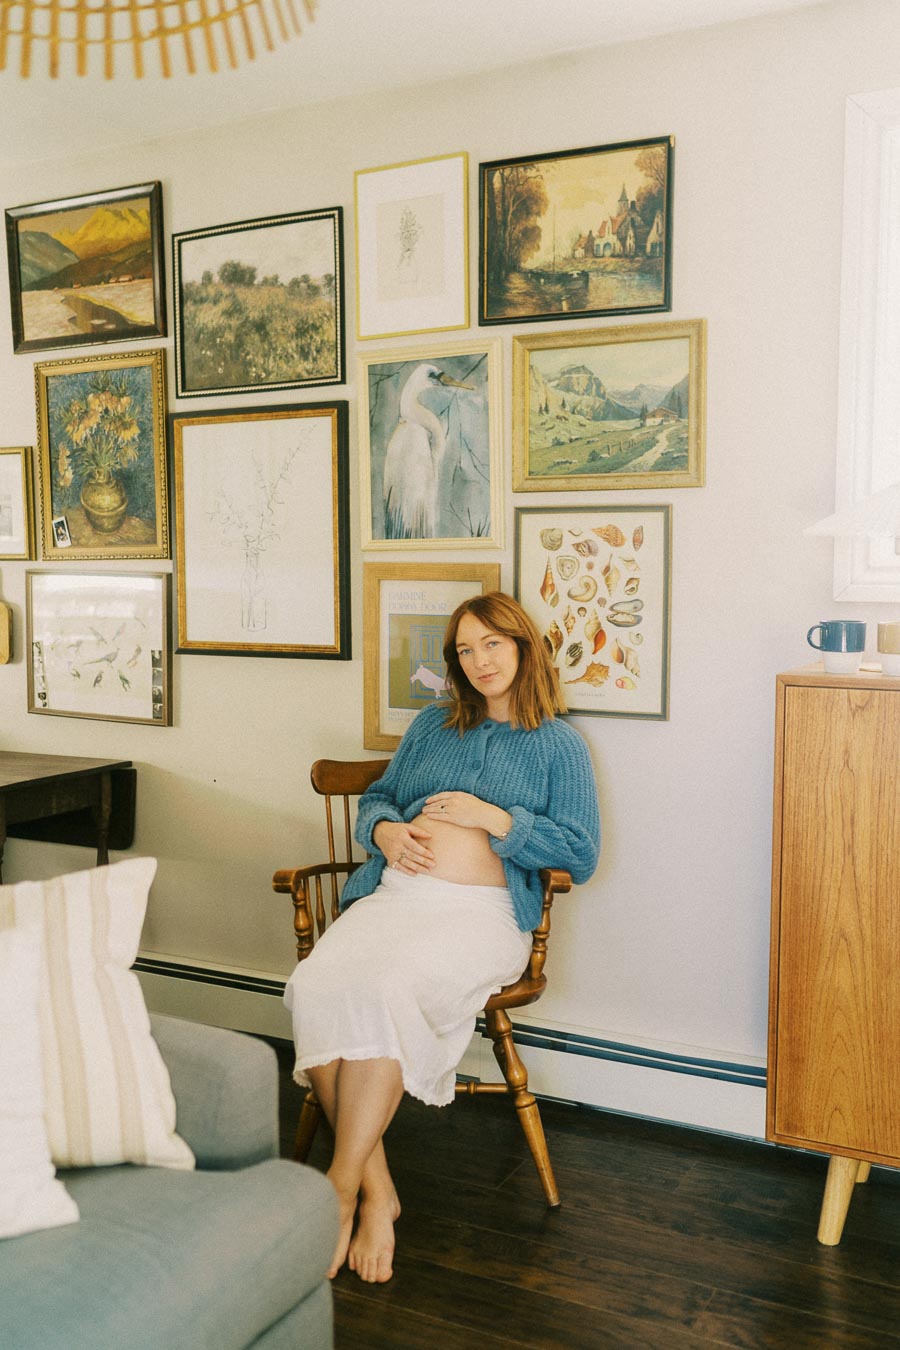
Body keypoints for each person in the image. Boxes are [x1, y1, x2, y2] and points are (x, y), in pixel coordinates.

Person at [283, 591, 600, 1285]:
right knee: (316, 984)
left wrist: (498, 818)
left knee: (384, 989)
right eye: (464, 649)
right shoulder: (431, 727)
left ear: (522, 646)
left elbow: (579, 853)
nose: (479, 660)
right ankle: (377, 1190)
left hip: (479, 916)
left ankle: (341, 1188)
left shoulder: (558, 744)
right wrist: (386, 832)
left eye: (492, 643)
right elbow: (378, 800)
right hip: (395, 898)